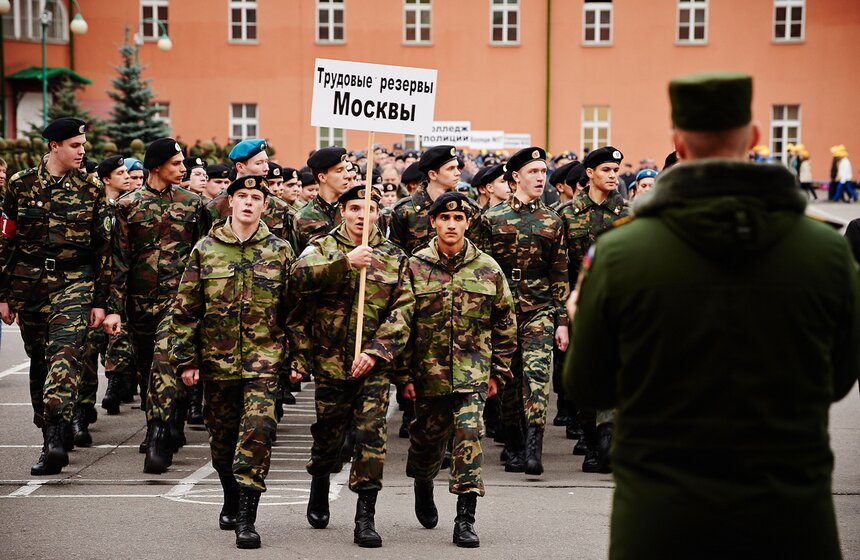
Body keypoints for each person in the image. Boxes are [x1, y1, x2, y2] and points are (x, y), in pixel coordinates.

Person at [564, 71, 860, 560]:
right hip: (788, 514)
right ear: (757, 138)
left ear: (678, 143)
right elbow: (839, 380)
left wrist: (582, 313)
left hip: (662, 515)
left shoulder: (621, 252)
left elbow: (590, 387)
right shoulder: (825, 249)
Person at [172, 175, 295, 549]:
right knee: (222, 440)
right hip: (217, 362)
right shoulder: (206, 249)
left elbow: (294, 311)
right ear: (229, 202)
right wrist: (186, 360)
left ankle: (247, 516)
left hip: (265, 361)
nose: (247, 202)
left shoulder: (281, 250)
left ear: (264, 205)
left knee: (257, 433)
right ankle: (229, 493)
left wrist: (296, 357)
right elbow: (186, 309)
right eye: (241, 195)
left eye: (255, 197)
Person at [290, 185, 413, 548]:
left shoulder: (393, 256)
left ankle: (365, 516)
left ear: (379, 213)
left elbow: (404, 311)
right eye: (355, 207)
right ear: (342, 211)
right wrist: (346, 263)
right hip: (330, 361)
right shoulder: (322, 247)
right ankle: (320, 479)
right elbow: (295, 282)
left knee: (370, 437)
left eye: (370, 208)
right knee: (329, 435)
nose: (362, 215)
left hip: (373, 365)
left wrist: (376, 351)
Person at [401, 191, 516, 548]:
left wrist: (499, 371)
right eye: (445, 219)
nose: (452, 224)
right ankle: (423, 482)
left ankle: (465, 518)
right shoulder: (415, 265)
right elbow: (401, 322)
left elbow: (506, 323)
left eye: (459, 219)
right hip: (427, 373)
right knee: (427, 441)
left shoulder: (487, 267)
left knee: (469, 435)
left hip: (473, 372)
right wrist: (404, 375)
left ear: (468, 223)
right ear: (433, 222)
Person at [0, 117, 111, 475]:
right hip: (30, 283)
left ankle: (57, 436)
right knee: (40, 362)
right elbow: (8, 241)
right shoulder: (21, 185)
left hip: (74, 282)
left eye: (83, 146)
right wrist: (3, 294)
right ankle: (49, 433)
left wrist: (100, 301)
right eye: (75, 146)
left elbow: (102, 249)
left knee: (64, 356)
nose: (82, 152)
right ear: (54, 147)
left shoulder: (90, 190)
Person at [102, 137, 206, 474]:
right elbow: (118, 262)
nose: (183, 169)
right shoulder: (128, 206)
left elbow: (203, 256)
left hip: (179, 304)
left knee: (165, 359)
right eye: (176, 164)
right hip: (139, 304)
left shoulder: (193, 205)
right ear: (156, 166)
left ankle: (159, 435)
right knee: (149, 368)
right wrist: (115, 308)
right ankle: (163, 421)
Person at [479, 146, 569, 476]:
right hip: (502, 311)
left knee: (536, 376)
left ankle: (534, 449)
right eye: (533, 172)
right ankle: (514, 445)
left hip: (540, 308)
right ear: (515, 177)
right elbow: (482, 271)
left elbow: (560, 272)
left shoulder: (553, 220)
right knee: (508, 380)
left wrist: (561, 321)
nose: (540, 178)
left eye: (543, 172)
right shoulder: (491, 219)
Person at [558, 146, 630, 472]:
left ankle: (609, 437)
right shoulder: (567, 215)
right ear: (589, 173)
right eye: (606, 170)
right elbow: (559, 270)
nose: (613, 175)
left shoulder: (628, 214)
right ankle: (589, 439)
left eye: (616, 170)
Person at [292, 146, 351, 253]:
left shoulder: (354, 211)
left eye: (346, 169)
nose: (347, 175)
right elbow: (298, 264)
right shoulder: (303, 217)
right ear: (322, 177)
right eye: (339, 171)